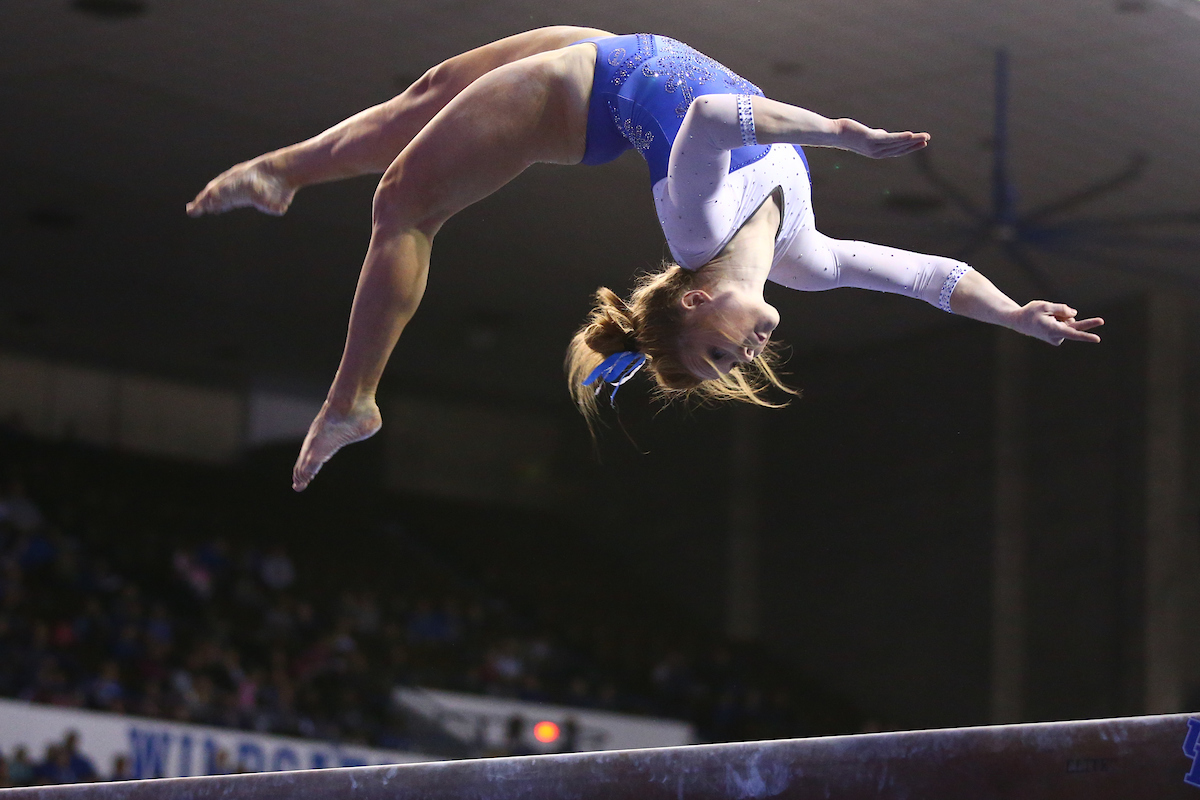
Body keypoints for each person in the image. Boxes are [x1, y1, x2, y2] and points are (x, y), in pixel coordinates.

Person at [187, 27, 1103, 491]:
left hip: (581, 92)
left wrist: (836, 137)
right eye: (730, 366)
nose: (743, 357)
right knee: (427, 96)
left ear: (695, 302)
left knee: (401, 204)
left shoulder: (698, 227)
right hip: (622, 54)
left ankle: (353, 402)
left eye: (712, 354)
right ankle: (284, 174)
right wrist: (1016, 313)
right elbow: (931, 278)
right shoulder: (805, 258)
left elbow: (709, 120)